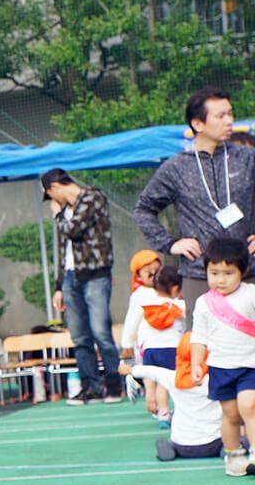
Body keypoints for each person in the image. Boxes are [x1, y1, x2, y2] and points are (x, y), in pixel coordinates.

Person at [136, 87, 255, 314]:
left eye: (230, 114)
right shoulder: (176, 167)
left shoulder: (247, 158)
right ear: (198, 124)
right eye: (221, 116)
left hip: (248, 270)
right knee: (200, 344)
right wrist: (170, 244)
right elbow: (143, 209)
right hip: (199, 274)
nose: (229, 121)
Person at [43, 168, 122, 404]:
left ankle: (113, 384)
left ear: (54, 188)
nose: (53, 202)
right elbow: (61, 248)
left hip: (96, 274)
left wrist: (58, 217)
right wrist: (58, 285)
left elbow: (73, 230)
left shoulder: (92, 197)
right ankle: (91, 388)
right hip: (70, 275)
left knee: (100, 331)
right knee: (79, 336)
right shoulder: (65, 210)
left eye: (50, 195)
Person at [190, 238, 255, 477]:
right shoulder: (204, 303)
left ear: (243, 271)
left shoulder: (251, 295)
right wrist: (196, 363)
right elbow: (199, 336)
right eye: (214, 272)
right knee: (230, 414)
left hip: (251, 365)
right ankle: (234, 455)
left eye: (228, 273)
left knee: (250, 405)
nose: (220, 279)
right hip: (220, 367)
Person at [131, 332, 222, 461]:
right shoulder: (215, 378)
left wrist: (130, 370)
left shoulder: (172, 378)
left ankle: (170, 448)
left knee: (173, 441)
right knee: (235, 438)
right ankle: (230, 449)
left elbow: (152, 371)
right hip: (214, 443)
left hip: (182, 445)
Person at [121, 261, 185, 426]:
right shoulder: (178, 306)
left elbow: (133, 323)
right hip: (171, 349)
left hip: (149, 350)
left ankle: (160, 411)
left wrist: (127, 344)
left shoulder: (147, 305)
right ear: (176, 289)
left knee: (156, 381)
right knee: (171, 382)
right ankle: (175, 413)